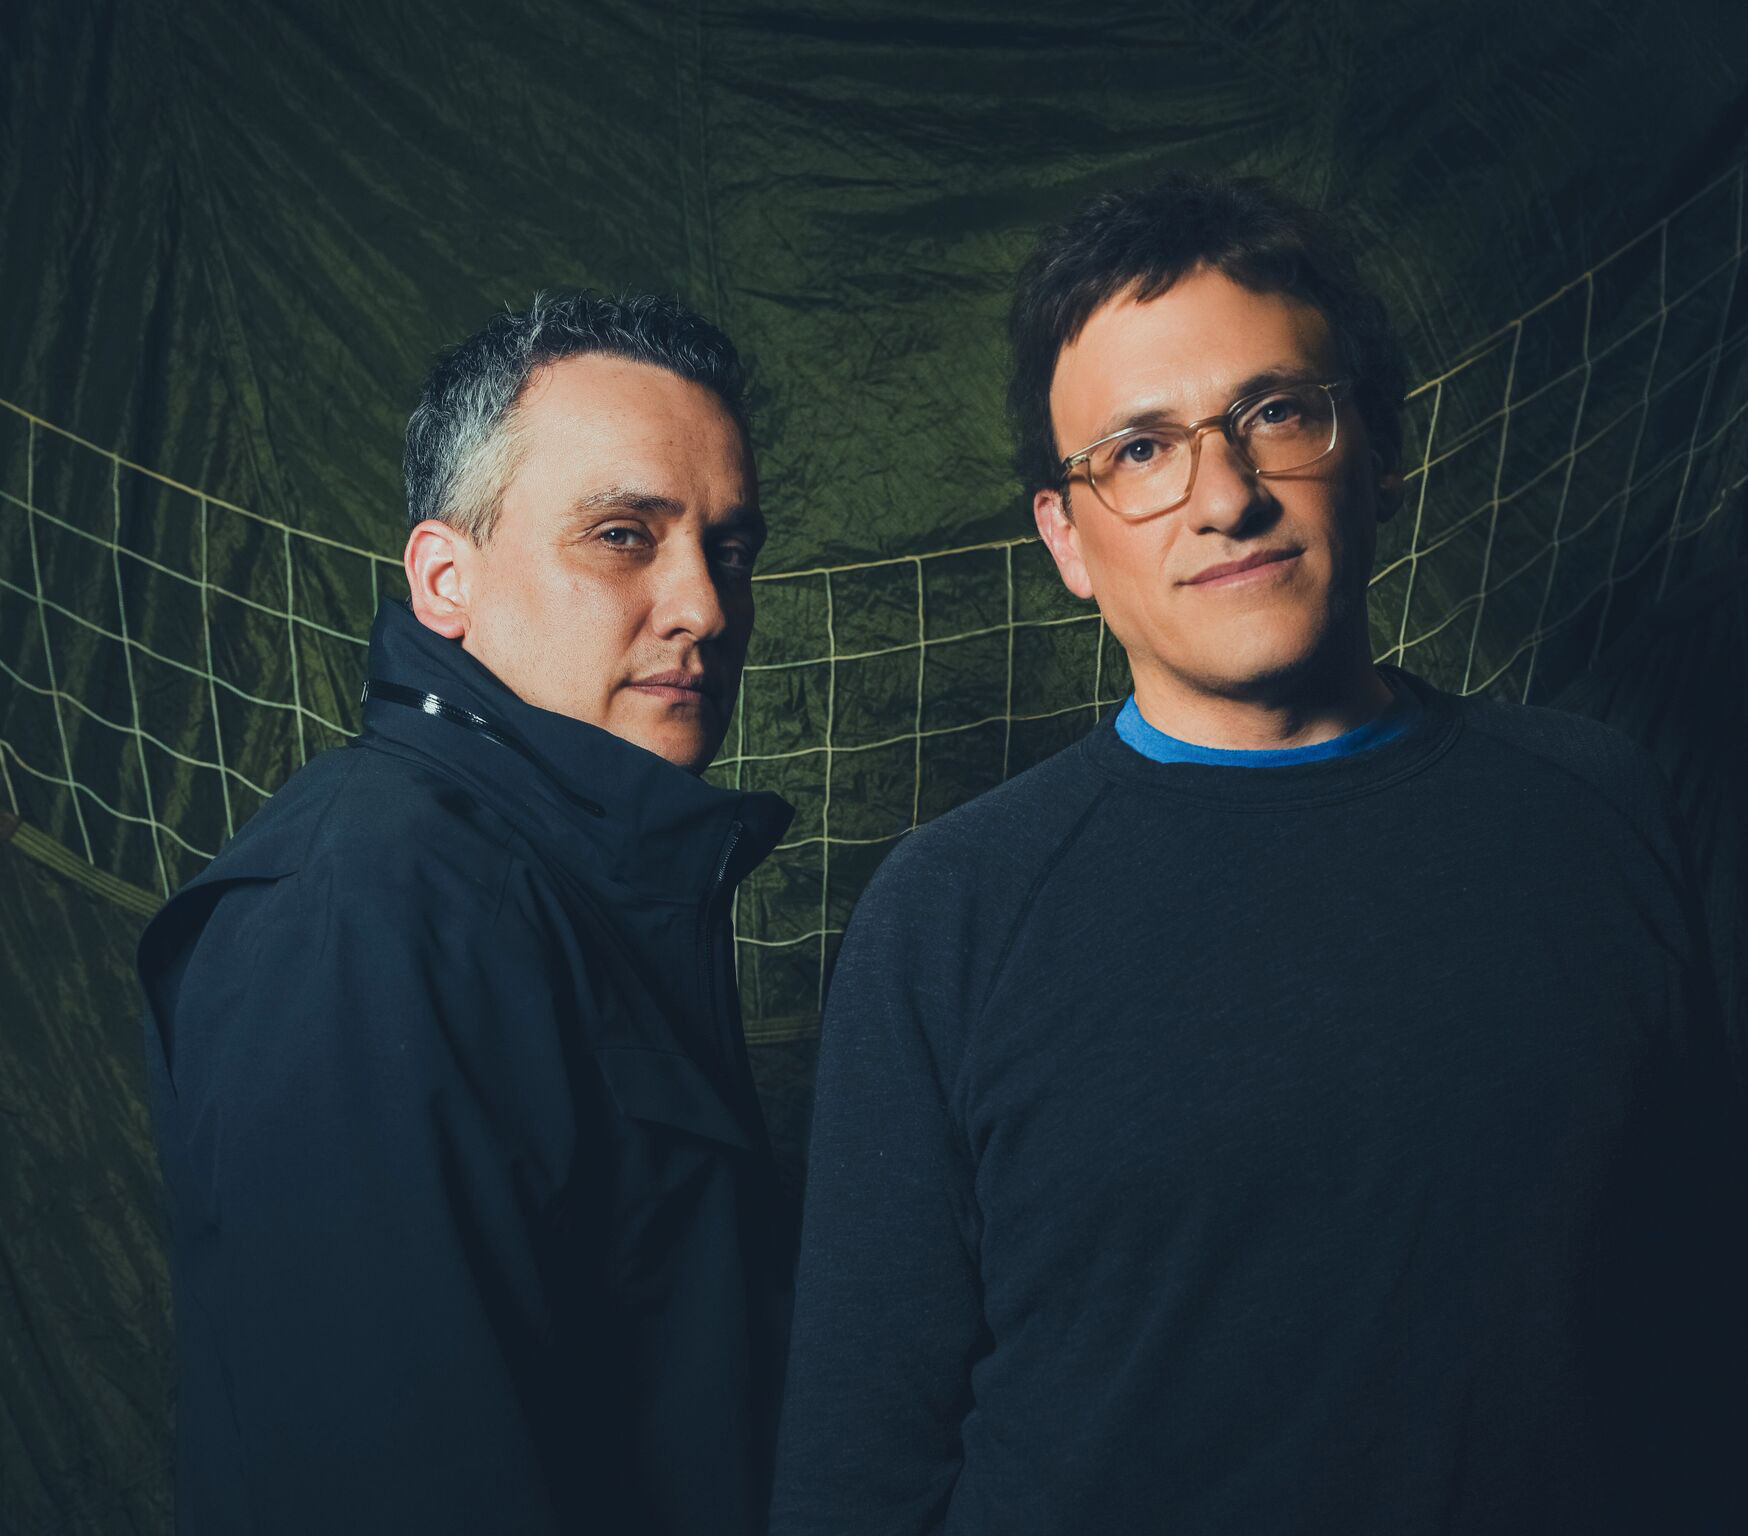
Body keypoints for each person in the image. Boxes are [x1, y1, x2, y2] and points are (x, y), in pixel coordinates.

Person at [770, 175, 1748, 1534]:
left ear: (1377, 444)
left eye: (1275, 413)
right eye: (1139, 451)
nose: (1223, 497)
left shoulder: (1596, 809)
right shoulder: (948, 917)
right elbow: (855, 1477)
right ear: (1065, 538)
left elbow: (1701, 1339)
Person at [138, 292, 794, 1534]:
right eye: (621, 535)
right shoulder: (364, 910)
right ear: (445, 579)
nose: (705, 607)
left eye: (728, 548)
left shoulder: (574, 865)